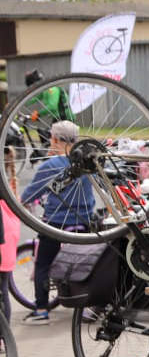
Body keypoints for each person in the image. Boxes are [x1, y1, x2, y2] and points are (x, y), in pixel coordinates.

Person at [19, 120, 92, 325]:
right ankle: (86, 308)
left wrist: (21, 203)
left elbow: (30, 194)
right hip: (84, 221)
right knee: (83, 264)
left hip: (56, 223)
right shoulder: (86, 161)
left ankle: (41, 310)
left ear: (55, 140)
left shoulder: (50, 165)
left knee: (43, 263)